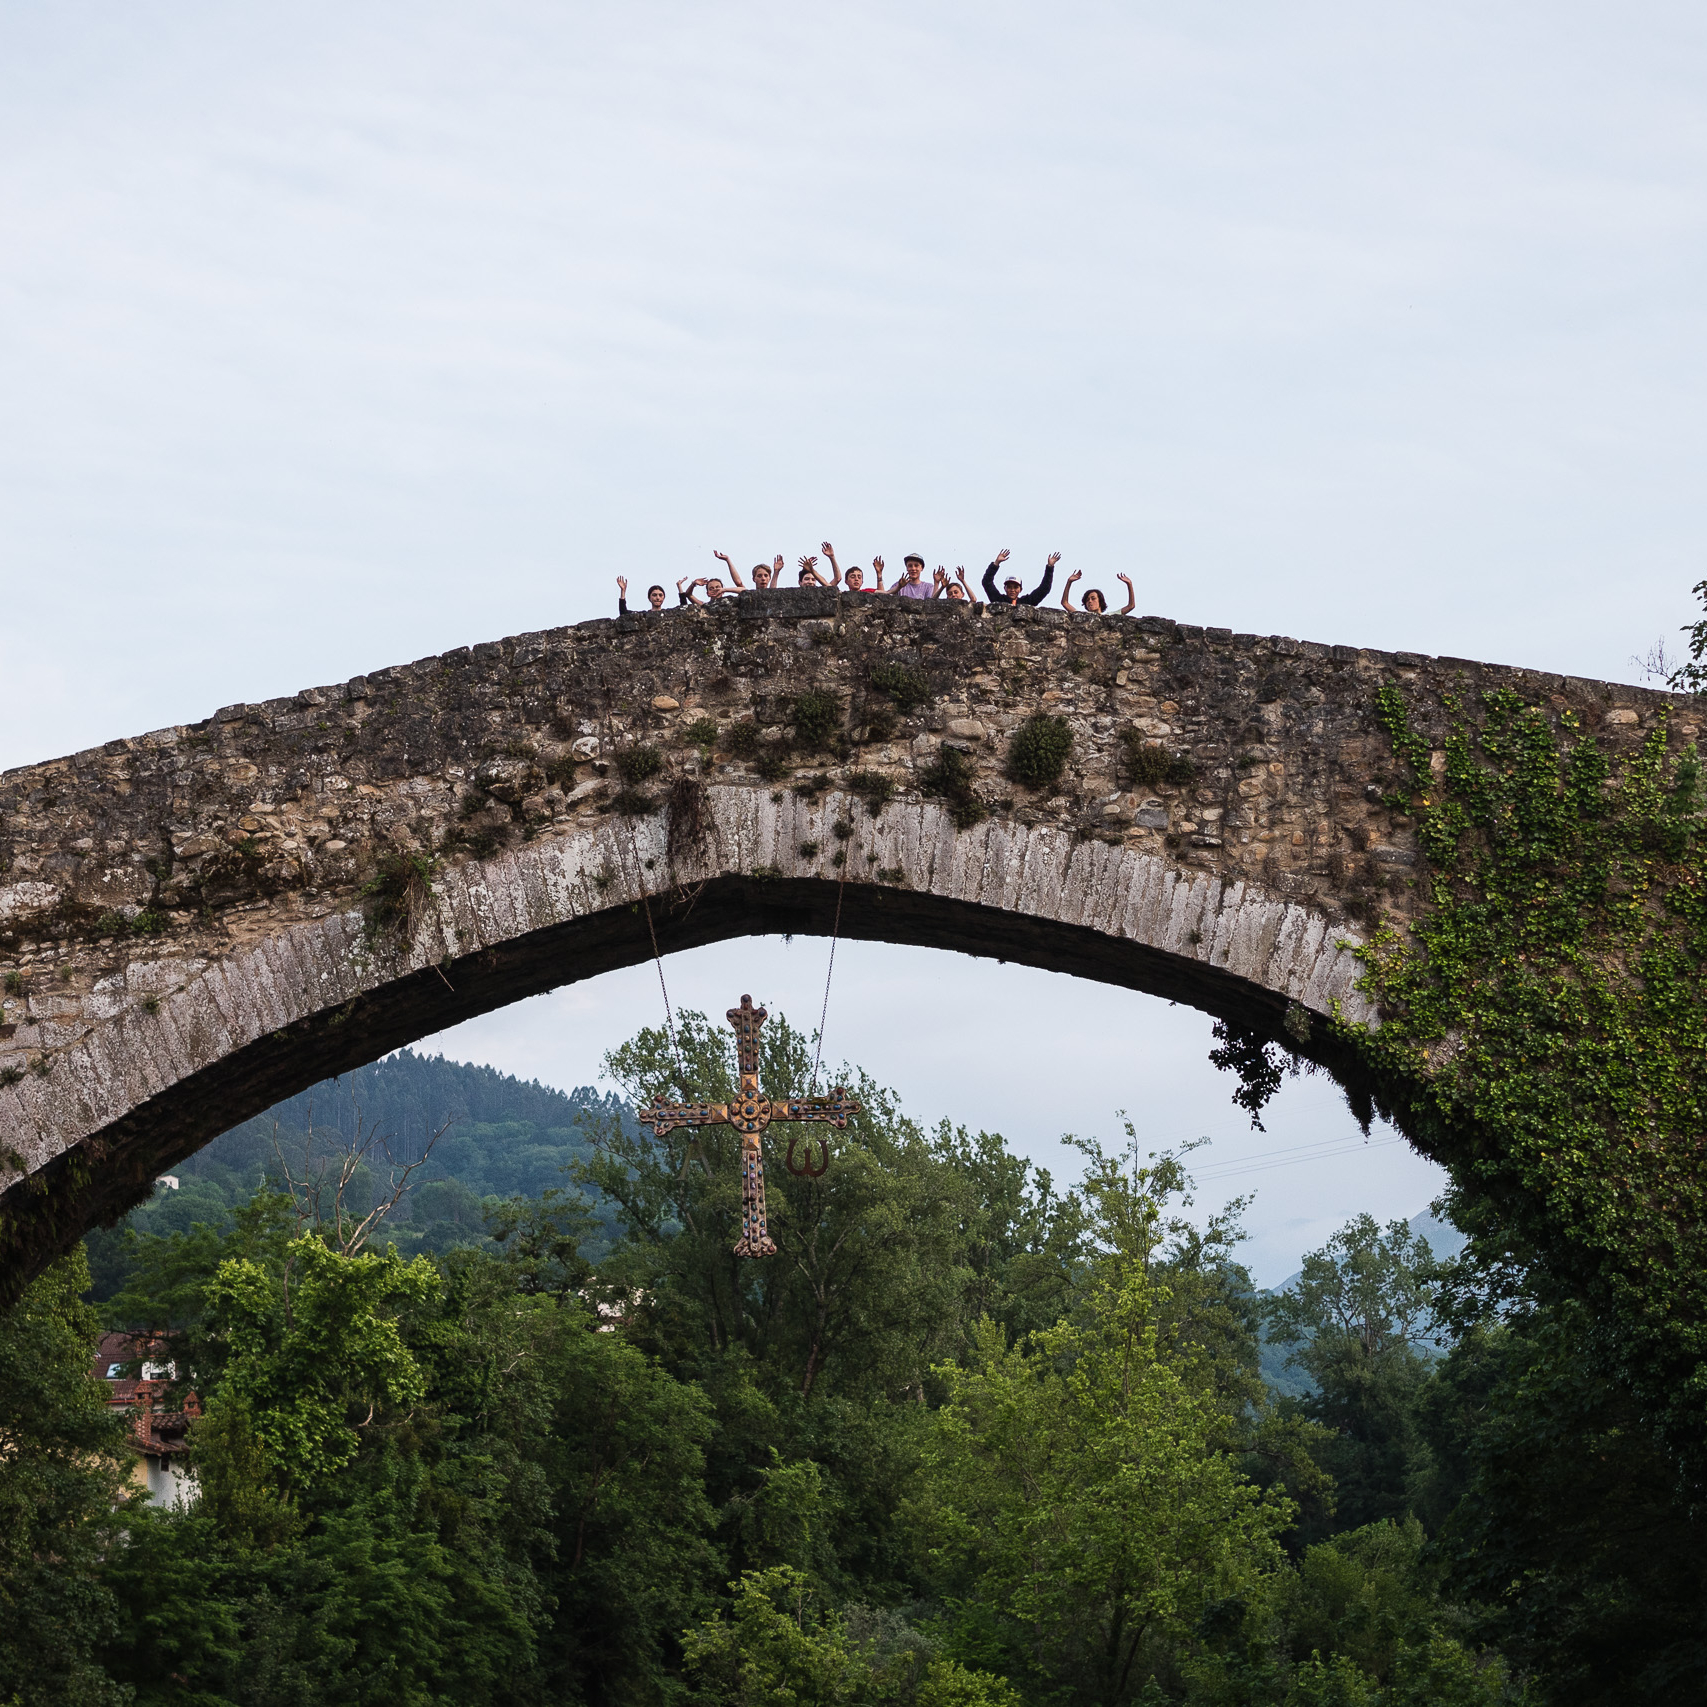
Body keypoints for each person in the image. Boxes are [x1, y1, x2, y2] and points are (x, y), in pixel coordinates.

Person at [981, 548, 1060, 608]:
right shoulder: (998, 600)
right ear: (1005, 588)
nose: (1012, 590)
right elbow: (986, 582)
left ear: (1020, 589)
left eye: (1015, 587)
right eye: (1009, 587)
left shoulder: (1026, 602)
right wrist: (996, 563)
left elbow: (1044, 589)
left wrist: (1050, 567)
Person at [1061, 570, 1135, 616]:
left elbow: (1131, 606)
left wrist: (1129, 584)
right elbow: (1065, 603)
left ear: (1100, 601)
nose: (1090, 601)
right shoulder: (1081, 616)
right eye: (1087, 600)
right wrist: (1069, 582)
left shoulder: (1109, 616)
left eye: (1093, 598)